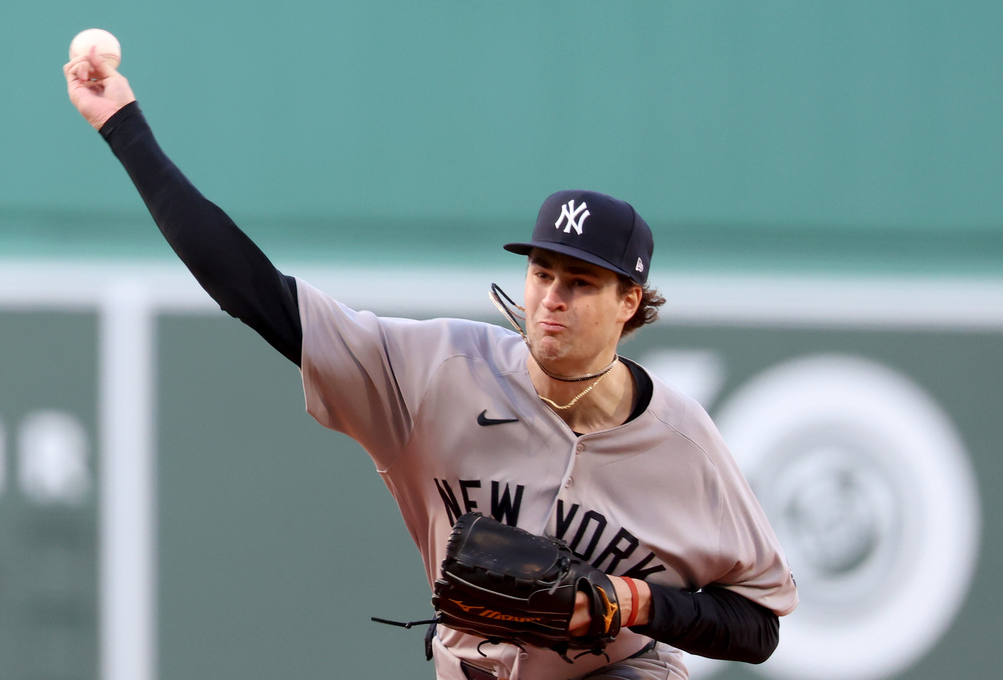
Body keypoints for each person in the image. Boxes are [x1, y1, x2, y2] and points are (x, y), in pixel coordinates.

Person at [65, 49, 797, 680]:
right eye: (543, 272)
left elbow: (756, 625)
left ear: (629, 300)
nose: (552, 298)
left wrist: (633, 602)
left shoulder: (682, 442)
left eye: (580, 282)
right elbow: (252, 291)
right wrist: (124, 127)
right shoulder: (436, 372)